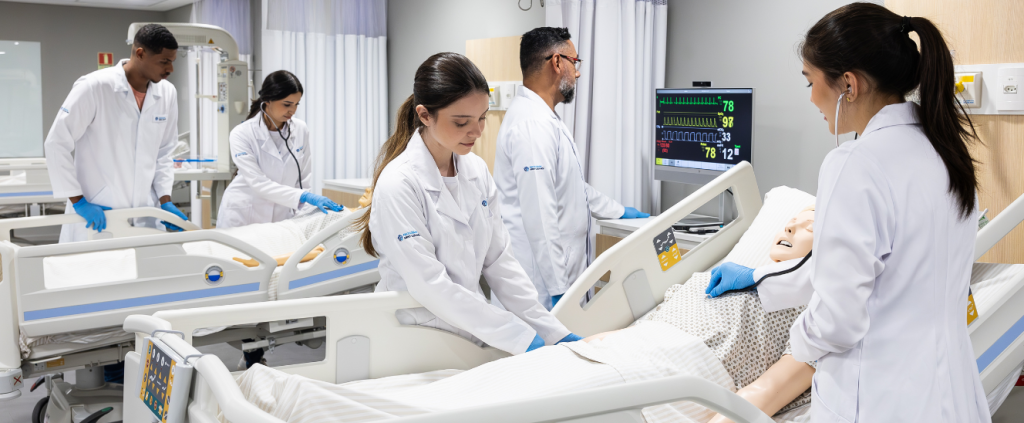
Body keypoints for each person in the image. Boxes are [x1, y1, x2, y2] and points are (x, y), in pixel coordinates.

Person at [234, 207, 822, 422]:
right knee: (470, 393)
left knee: (493, 411)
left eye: (802, 230)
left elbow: (767, 392)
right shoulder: (728, 275)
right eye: (786, 222)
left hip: (666, 375)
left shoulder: (815, 308)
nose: (786, 228)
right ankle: (298, 402)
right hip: (614, 350)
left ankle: (299, 407)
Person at [792, 4, 987, 422]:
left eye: (810, 82)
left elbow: (838, 321)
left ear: (848, 83)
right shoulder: (948, 154)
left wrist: (799, 342)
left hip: (880, 400)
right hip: (954, 397)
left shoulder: (855, 164)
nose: (811, 97)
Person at [354, 52, 580, 355]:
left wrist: (550, 329)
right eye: (461, 122)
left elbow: (500, 261)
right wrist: (519, 336)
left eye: (482, 118)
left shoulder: (475, 170)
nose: (476, 131)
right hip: (413, 338)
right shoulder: (400, 183)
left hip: (470, 331)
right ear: (424, 115)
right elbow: (429, 284)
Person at [494, 27, 649, 310]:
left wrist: (620, 212)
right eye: (574, 63)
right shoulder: (532, 126)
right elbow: (540, 216)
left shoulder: (542, 119)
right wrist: (558, 291)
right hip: (540, 291)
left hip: (556, 281)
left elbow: (570, 187)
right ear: (556, 62)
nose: (577, 73)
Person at [44, 23, 188, 243]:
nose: (170, 69)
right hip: (98, 213)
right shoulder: (94, 87)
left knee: (143, 274)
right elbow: (56, 143)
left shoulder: (167, 93)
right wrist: (79, 202)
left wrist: (164, 200)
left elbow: (164, 152)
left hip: (146, 213)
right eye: (164, 61)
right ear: (140, 53)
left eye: (172, 61)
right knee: (93, 273)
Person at [216, 70, 342, 229]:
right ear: (268, 100)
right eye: (287, 104)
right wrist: (303, 196)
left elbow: (303, 180)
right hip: (244, 215)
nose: (293, 110)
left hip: (281, 217)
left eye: (296, 104)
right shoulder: (242, 134)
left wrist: (307, 212)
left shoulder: (300, 129)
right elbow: (259, 184)